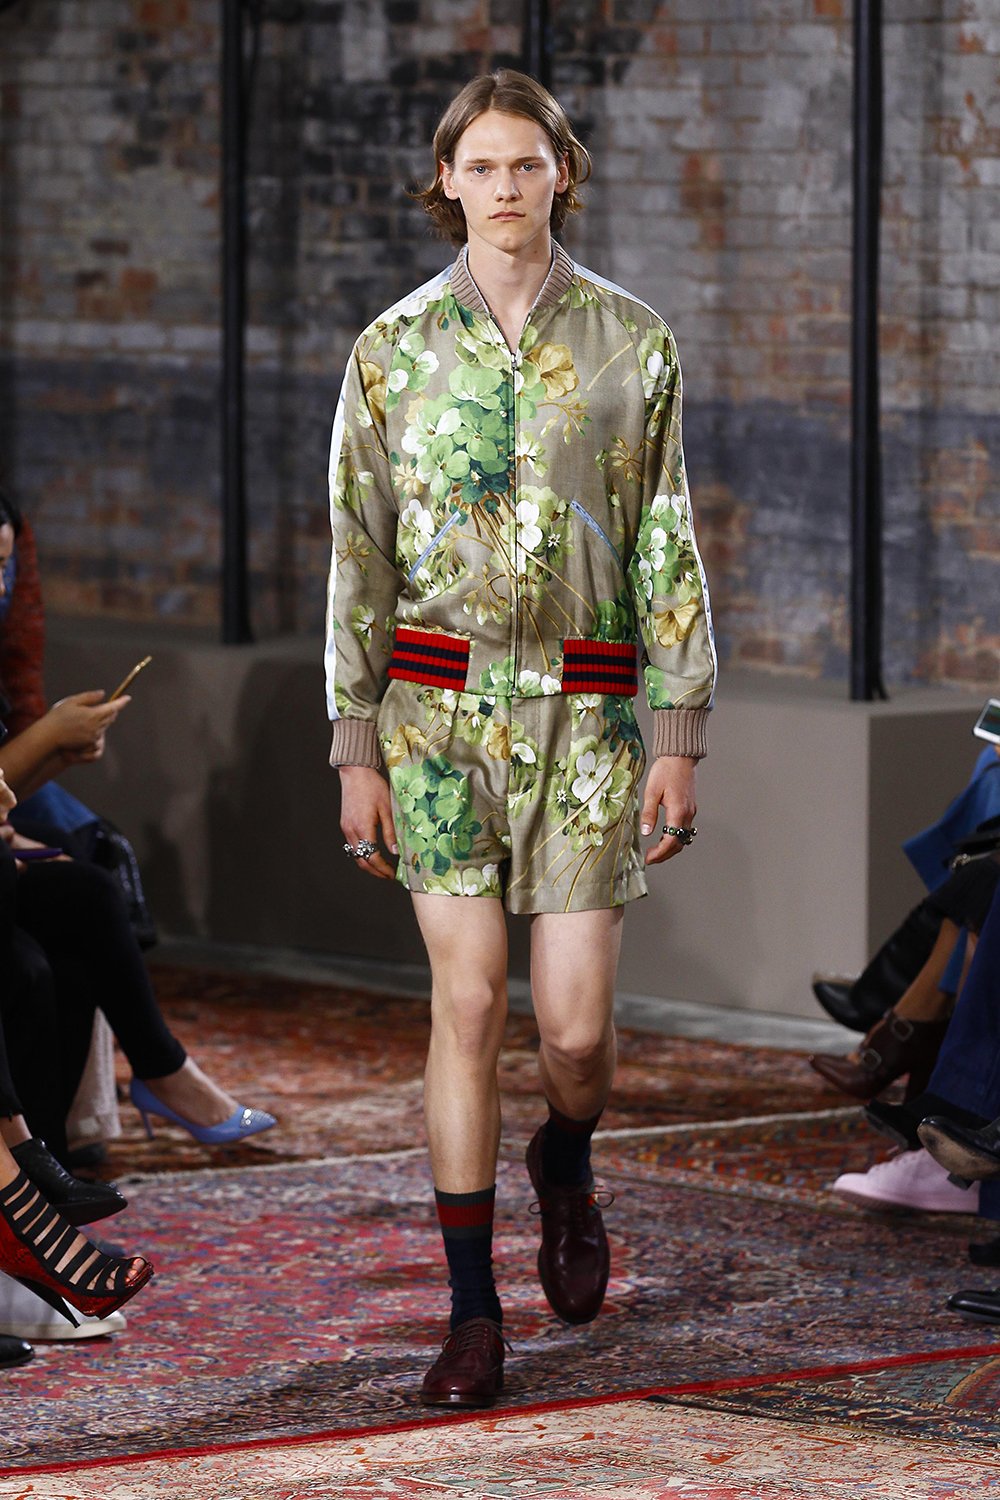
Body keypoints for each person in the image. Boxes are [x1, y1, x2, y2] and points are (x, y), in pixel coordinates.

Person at [325, 70, 716, 1406]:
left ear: (564, 174)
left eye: (526, 164)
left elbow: (665, 535)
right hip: (432, 717)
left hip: (589, 718)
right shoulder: (389, 351)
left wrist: (680, 727)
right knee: (469, 1002)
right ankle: (472, 1312)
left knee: (577, 1033)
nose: (504, 187)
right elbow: (359, 552)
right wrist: (355, 746)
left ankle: (566, 1154)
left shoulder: (631, 342)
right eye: (481, 166)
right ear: (447, 181)